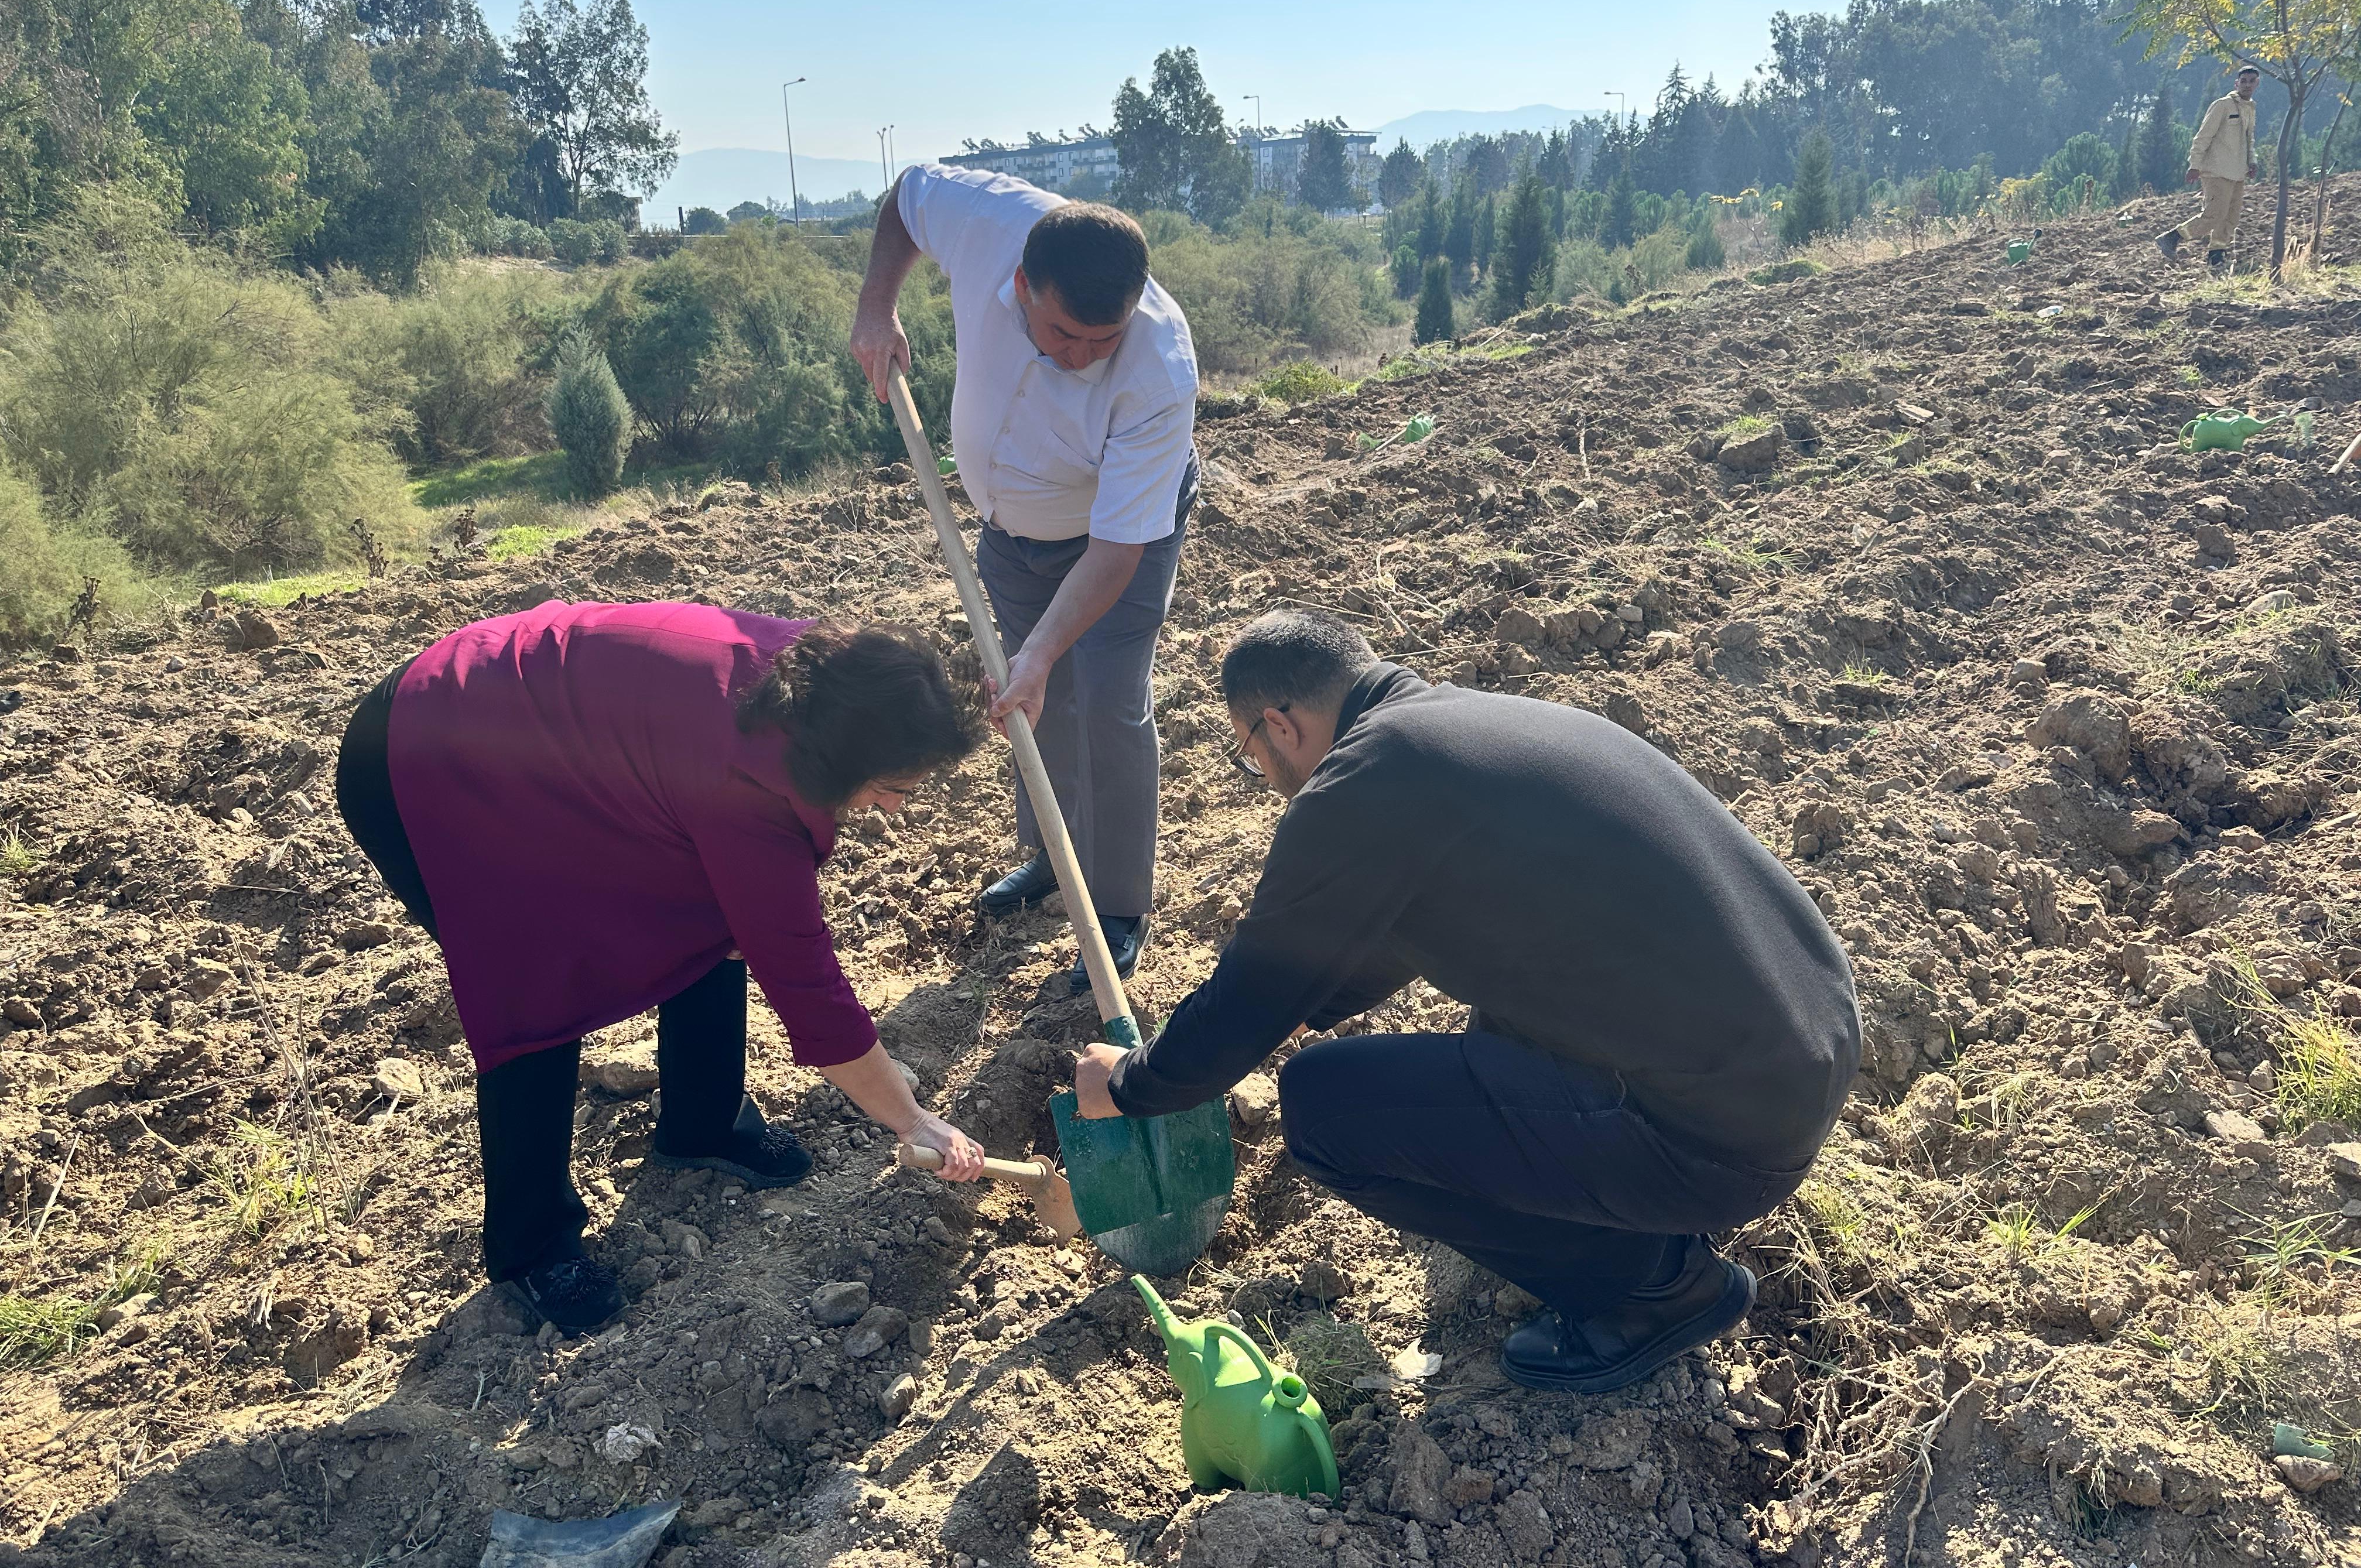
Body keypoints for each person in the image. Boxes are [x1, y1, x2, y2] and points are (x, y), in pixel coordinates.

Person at [1073, 610, 1861, 1395]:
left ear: (1281, 726)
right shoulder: (1467, 727)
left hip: (1724, 1144)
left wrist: (1130, 1085)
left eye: (1251, 756)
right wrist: (1299, 998)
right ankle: (1632, 1201)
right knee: (1496, 1019)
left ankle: (1652, 1287)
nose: (1267, 779)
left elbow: (1250, 998)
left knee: (1325, 1111)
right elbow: (1382, 943)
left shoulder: (1363, 781)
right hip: (1804, 1054)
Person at [334, 601, 989, 1336]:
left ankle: (701, 1122)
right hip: (425, 757)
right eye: (894, 786)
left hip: (543, 745)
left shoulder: (829, 682)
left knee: (710, 908)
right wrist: (912, 1118)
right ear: (844, 753)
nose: (896, 808)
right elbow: (807, 987)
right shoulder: (752, 782)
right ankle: (531, 1247)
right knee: (536, 974)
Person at [851, 165, 1199, 992]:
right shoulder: (992, 224)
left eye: (1100, 341)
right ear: (1021, 285)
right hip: (1011, 529)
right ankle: (1049, 859)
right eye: (1061, 334)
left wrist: (1045, 650)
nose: (1080, 357)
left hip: (1118, 534)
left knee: (1108, 696)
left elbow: (1116, 551)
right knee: (1039, 698)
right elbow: (903, 198)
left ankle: (1115, 906)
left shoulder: (1159, 371)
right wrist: (875, 309)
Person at [2156, 64, 2261, 275]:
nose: (2247, 85)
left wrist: (2252, 162)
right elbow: (2203, 136)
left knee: (2231, 217)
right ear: (2236, 83)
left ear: (2257, 84)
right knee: (2214, 214)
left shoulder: (2251, 108)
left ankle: (2216, 255)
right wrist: (2194, 165)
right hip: (2216, 171)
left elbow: (2249, 139)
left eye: (2252, 81)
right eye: (2244, 81)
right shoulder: (2222, 106)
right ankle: (2173, 237)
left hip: (2238, 173)